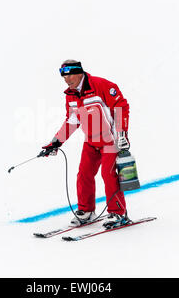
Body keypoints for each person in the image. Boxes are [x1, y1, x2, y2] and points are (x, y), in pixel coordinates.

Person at [41, 60, 132, 229]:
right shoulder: (71, 94)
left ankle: (118, 213)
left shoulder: (100, 85)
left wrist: (122, 133)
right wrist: (56, 142)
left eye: (70, 76)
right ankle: (87, 211)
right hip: (91, 141)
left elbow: (121, 106)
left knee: (108, 174)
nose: (67, 80)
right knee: (83, 175)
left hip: (111, 140)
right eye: (64, 77)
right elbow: (72, 120)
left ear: (79, 72)